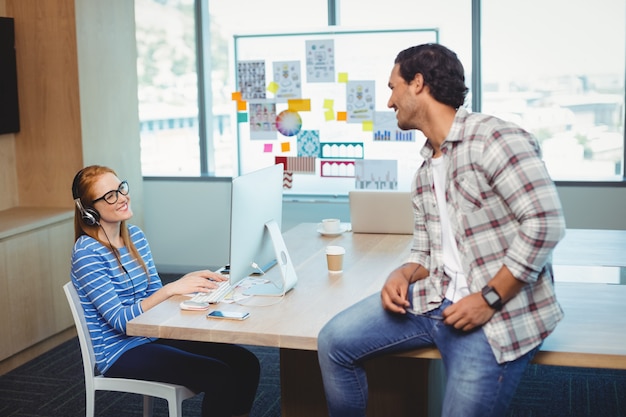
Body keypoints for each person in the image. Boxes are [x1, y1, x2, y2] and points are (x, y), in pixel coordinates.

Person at [317, 43, 566, 417]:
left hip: (494, 315)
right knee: (333, 342)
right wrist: (403, 272)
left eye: (392, 87)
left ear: (417, 83)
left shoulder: (494, 138)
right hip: (436, 301)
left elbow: (545, 223)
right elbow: (425, 253)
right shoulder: (424, 172)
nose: (389, 102)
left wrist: (487, 299)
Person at [70, 165, 260, 417]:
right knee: (219, 375)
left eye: (121, 188)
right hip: (120, 352)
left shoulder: (135, 237)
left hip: (152, 335)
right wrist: (171, 289)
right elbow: (120, 321)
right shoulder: (87, 252)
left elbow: (155, 295)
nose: (122, 197)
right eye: (110, 196)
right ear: (89, 211)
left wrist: (186, 283)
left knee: (246, 363)